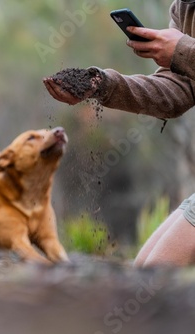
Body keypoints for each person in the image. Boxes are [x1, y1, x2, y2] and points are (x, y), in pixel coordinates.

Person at [43, 0, 195, 267]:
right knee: (143, 270)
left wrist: (181, 50)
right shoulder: (184, 8)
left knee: (153, 279)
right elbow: (178, 91)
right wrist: (102, 85)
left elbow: (184, 55)